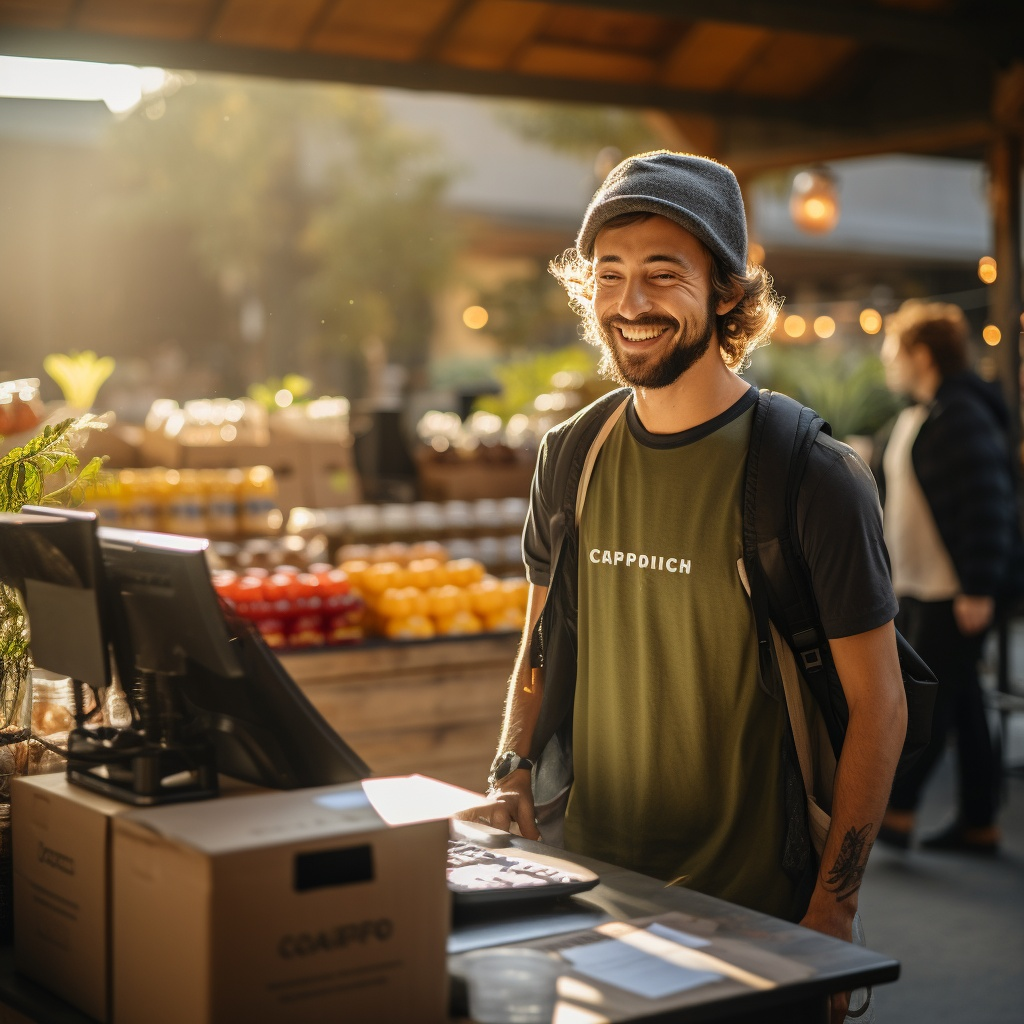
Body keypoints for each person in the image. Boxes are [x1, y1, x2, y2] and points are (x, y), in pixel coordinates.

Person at [466, 151, 907, 1024]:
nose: (629, 303)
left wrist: (835, 907)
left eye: (663, 275)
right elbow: (541, 637)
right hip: (593, 893)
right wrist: (514, 760)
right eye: (611, 274)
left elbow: (880, 708)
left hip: (753, 917)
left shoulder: (811, 475)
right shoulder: (571, 458)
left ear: (729, 293)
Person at [876, 300, 1015, 854]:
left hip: (952, 591)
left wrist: (978, 588)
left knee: (930, 702)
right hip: (925, 585)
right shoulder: (928, 412)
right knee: (963, 702)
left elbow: (988, 505)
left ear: (921, 354)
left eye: (893, 352)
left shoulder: (960, 415)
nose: (887, 364)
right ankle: (979, 824)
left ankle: (899, 811)